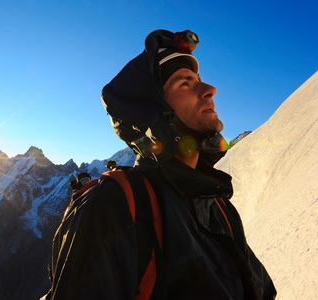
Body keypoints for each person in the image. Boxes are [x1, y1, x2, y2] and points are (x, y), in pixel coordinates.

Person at [42, 29, 276, 299]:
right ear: (155, 112)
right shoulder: (113, 204)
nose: (210, 89)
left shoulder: (219, 204)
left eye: (198, 80)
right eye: (184, 83)